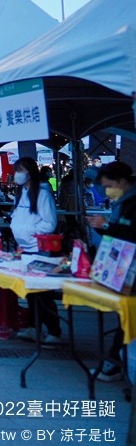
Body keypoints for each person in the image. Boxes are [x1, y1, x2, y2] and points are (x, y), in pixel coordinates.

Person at [86, 161, 136, 383]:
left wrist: (106, 226)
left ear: (122, 182)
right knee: (125, 315)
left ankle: (116, 362)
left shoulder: (133, 203)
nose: (106, 191)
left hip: (132, 269)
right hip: (123, 268)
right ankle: (117, 360)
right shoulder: (121, 202)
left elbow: (131, 233)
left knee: (128, 316)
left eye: (109, 186)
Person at [9, 157, 62, 346]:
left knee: (43, 292)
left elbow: (50, 223)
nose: (17, 174)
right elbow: (19, 216)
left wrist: (31, 233)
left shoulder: (43, 194)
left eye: (20, 170)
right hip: (26, 249)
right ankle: (34, 327)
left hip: (40, 250)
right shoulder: (22, 192)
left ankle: (54, 331)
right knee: (31, 291)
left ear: (30, 172)